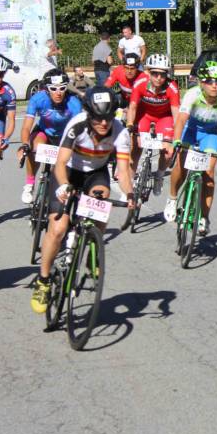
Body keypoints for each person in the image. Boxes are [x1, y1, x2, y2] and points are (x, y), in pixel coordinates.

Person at [30, 87, 134, 313]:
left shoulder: (120, 132)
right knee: (58, 228)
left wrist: (130, 194)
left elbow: (123, 171)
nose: (104, 123)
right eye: (98, 118)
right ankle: (43, 280)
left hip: (96, 172)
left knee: (103, 198)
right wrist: (65, 185)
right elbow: (59, 163)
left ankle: (93, 248)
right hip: (68, 171)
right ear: (88, 114)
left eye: (108, 118)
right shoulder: (77, 125)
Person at [167, 62, 217, 233]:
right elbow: (181, 119)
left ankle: (204, 218)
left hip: (210, 135)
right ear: (201, 82)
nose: (214, 86)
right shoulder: (193, 94)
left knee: (209, 173)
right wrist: (176, 140)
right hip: (189, 132)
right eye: (209, 81)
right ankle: (172, 198)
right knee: (181, 167)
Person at [17, 69, 83, 204]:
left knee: (58, 169)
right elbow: (26, 127)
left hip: (65, 136)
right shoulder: (38, 99)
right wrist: (24, 144)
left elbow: (79, 131)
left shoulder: (74, 103)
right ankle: (29, 183)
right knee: (33, 147)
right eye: (53, 89)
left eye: (62, 88)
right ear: (46, 90)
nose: (58, 93)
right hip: (44, 132)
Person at [126, 54, 179, 196]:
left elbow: (176, 115)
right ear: (148, 72)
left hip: (164, 118)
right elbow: (132, 107)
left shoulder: (172, 87)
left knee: (168, 153)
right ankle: (129, 185)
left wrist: (177, 137)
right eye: (155, 73)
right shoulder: (140, 82)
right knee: (135, 148)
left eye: (162, 74)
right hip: (144, 116)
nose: (159, 78)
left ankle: (159, 176)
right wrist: (130, 124)